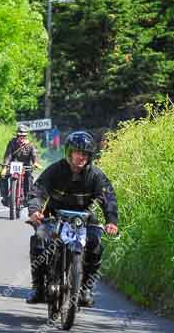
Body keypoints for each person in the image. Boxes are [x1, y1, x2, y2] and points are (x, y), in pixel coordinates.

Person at [26, 130, 118, 308]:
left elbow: (109, 198)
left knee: (96, 244)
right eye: (77, 152)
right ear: (69, 152)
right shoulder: (55, 170)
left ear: (90, 156)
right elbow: (38, 191)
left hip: (84, 218)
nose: (81, 157)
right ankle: (38, 287)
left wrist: (111, 221)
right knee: (39, 240)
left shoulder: (96, 176)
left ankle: (85, 289)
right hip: (54, 216)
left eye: (85, 153)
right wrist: (35, 210)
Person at [0, 124, 40, 207]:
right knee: (2, 175)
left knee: (29, 178)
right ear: (17, 136)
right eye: (20, 135)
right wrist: (4, 167)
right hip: (13, 164)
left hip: (26, 166)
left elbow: (34, 155)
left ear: (26, 136)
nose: (21, 137)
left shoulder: (30, 144)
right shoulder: (12, 143)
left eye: (23, 136)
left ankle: (27, 198)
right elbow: (8, 155)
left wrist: (35, 162)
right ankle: (5, 197)